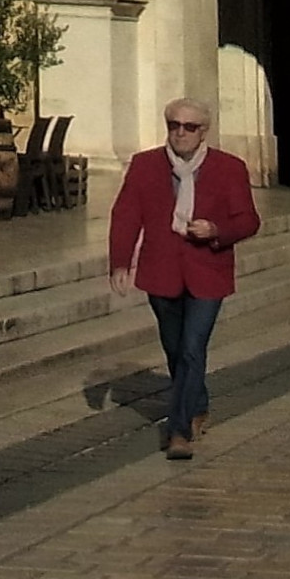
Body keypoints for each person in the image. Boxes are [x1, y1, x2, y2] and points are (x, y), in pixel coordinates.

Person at [109, 98, 260, 462]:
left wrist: (216, 230)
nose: (180, 133)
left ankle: (178, 431)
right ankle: (199, 403)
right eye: (174, 125)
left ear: (203, 132)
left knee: (193, 348)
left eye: (189, 127)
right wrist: (120, 262)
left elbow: (249, 220)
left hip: (208, 272)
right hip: (161, 272)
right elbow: (126, 214)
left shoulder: (228, 168)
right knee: (176, 350)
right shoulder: (145, 165)